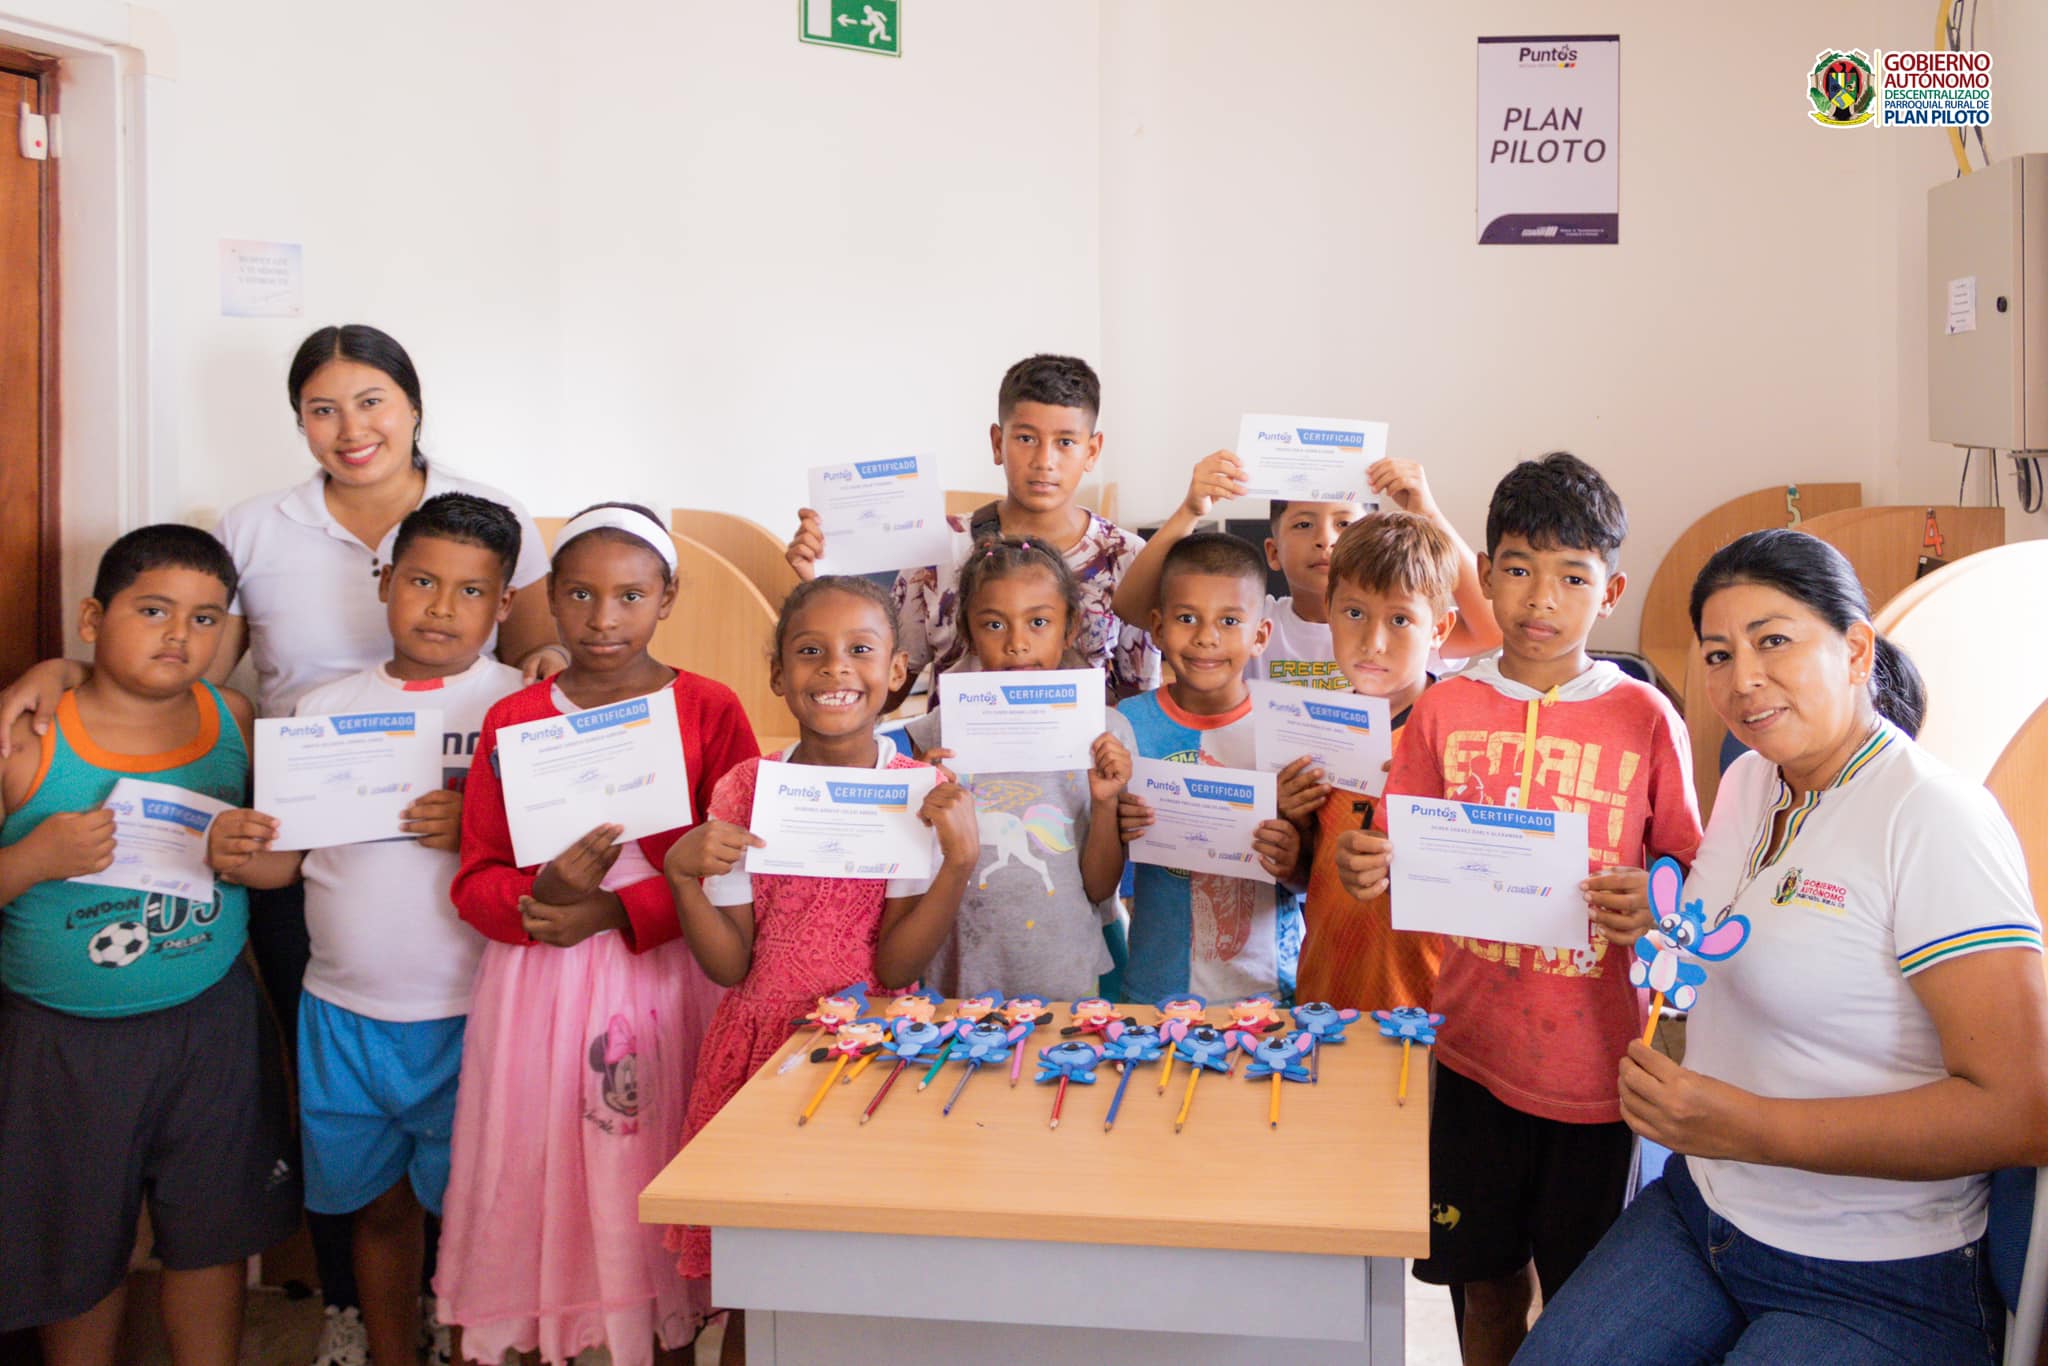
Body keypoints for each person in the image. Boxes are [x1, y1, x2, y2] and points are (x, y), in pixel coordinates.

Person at [0, 324, 559, 1366]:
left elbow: (538, 666)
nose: (351, 426)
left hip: (452, 909)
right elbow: (187, 661)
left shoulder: (488, 520)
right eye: (322, 407)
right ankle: (356, 1310)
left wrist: (495, 791)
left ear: (414, 405)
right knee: (346, 1130)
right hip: (309, 825)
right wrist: (65, 670)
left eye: (373, 400)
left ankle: (461, 1324)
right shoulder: (258, 528)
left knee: (465, 1162)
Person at [1517, 529, 2048, 1366]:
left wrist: (1748, 1126)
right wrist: (1658, 927)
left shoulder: (1933, 819)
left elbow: (2022, 1112)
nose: (1743, 679)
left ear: (1856, 649)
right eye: (1719, 654)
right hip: (1706, 1210)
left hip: (1877, 1269)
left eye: (1774, 641)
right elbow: (1744, 934)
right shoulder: (1749, 780)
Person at [1347, 452, 1702, 1365]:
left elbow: (1690, 870)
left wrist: (1656, 899)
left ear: (1610, 591)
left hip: (1598, 1071)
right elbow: (1394, 843)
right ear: (1485, 574)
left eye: (1572, 577)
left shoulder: (1646, 717)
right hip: (1473, 1053)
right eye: (1517, 569)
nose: (1541, 599)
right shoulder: (1448, 709)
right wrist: (1364, 864)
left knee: (1583, 1298)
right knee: (1485, 1281)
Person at [205, 494, 527, 1366]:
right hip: (343, 1011)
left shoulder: (523, 708)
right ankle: (391, 1351)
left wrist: (479, 826)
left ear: (504, 604)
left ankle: (467, 1350)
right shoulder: (320, 710)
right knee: (377, 1209)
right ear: (385, 581)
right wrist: (232, 851)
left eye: (470, 591)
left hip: (474, 1012)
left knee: (474, 1219)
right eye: (422, 581)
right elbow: (284, 863)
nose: (441, 607)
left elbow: (559, 857)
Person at [434, 503, 759, 1366]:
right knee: (542, 1163)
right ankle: (559, 1330)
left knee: (653, 1167)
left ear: (668, 597)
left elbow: (741, 870)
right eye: (579, 594)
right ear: (551, 598)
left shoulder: (708, 709)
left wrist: (618, 909)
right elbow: (476, 880)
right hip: (540, 985)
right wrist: (541, 894)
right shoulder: (514, 718)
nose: (603, 618)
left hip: (669, 975)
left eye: (629, 596)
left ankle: (664, 1334)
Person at [0, 526, 299, 1366]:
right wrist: (34, 860)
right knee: (77, 1244)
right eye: (154, 611)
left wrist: (244, 855)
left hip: (210, 1023)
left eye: (206, 618)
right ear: (93, 619)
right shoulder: (26, 738)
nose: (180, 636)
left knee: (214, 1233)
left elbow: (277, 865)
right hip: (62, 1039)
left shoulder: (232, 717)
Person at [662, 575, 980, 1361]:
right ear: (777, 675)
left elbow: (896, 964)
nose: (836, 667)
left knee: (858, 1276)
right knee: (760, 1284)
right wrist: (681, 878)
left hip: (871, 1059)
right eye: (810, 651)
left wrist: (957, 864)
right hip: (759, 1056)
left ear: (896, 671)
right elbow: (730, 965)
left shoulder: (921, 791)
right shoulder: (746, 787)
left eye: (860, 650)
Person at [784, 353, 1160, 708]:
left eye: (1065, 442)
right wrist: (823, 584)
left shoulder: (1125, 557)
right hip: (952, 755)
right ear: (997, 443)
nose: (1045, 461)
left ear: (1092, 451)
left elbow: (1140, 704)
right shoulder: (935, 549)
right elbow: (888, 690)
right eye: (1026, 438)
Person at [903, 536, 1136, 1001]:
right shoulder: (934, 735)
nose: (1017, 643)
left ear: (1069, 629)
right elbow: (914, 868)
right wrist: (917, 795)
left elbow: (1099, 887)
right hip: (959, 970)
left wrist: (1106, 803)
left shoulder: (1105, 736)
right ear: (968, 632)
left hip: (1064, 972)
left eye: (1039, 622)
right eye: (994, 624)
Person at [1112, 532, 1310, 1004]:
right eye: (1187, 618)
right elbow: (1102, 871)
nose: (1206, 637)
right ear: (1157, 628)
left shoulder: (1289, 727)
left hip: (1271, 991)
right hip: (1158, 991)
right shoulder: (1126, 725)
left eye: (1229, 621)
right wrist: (1114, 822)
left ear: (1260, 635)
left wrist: (1292, 860)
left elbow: (1309, 878)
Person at [1108, 450, 1500, 686]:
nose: (1325, 539)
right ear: (1273, 551)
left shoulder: (1401, 627)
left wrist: (1427, 512)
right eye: (1303, 524)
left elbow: (1491, 628)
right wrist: (1190, 511)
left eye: (1344, 523)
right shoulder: (1254, 621)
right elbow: (1131, 607)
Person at [1299, 511, 1461, 1009]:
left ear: (1440, 628)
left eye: (1400, 620)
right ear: (1328, 611)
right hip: (1324, 993)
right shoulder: (1312, 729)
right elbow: (1305, 872)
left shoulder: (1460, 740)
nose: (1373, 642)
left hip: (1427, 1002)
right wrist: (1290, 818)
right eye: (1354, 613)